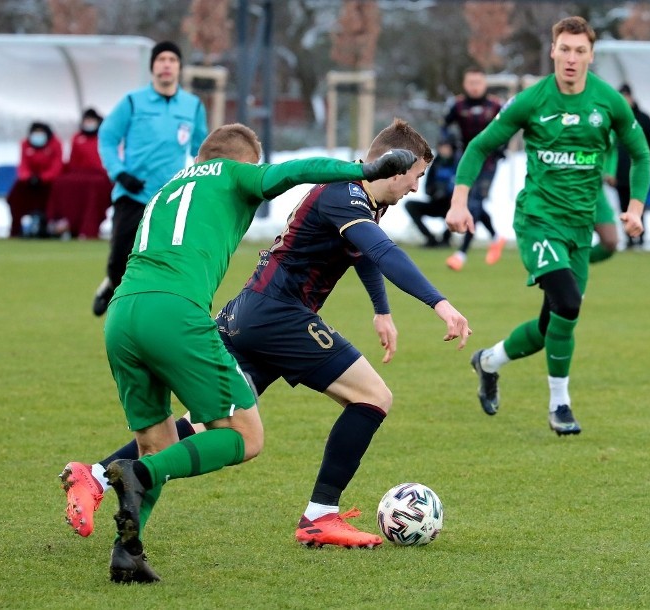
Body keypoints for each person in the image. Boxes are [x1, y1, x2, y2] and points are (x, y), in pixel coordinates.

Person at [59, 120, 469, 580]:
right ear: (393, 166)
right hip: (277, 315)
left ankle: (99, 480)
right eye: (414, 176)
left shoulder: (174, 187)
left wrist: (381, 309)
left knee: (189, 430)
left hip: (198, 311)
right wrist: (440, 302)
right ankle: (319, 514)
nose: (416, 187)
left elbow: (363, 248)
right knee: (370, 398)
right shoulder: (337, 190)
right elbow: (373, 243)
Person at [447, 16, 650, 435]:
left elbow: (642, 154)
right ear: (553, 52)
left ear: (591, 56)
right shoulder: (532, 100)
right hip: (539, 220)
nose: (572, 59)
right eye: (565, 49)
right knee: (569, 303)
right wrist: (459, 200)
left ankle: (488, 361)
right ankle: (561, 405)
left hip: (580, 225)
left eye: (580, 51)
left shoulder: (608, 101)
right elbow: (480, 145)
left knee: (551, 326)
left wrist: (635, 207)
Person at [91, 40, 208, 316]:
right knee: (121, 259)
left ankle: (144, 316)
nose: (166, 64)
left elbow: (201, 149)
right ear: (152, 67)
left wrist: (207, 175)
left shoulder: (192, 106)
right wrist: (119, 172)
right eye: (161, 59)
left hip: (170, 197)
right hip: (133, 193)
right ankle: (110, 283)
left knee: (166, 259)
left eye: (172, 60)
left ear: (179, 67)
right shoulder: (133, 101)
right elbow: (107, 138)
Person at [442, 67, 507, 271]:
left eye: (478, 82)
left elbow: (509, 127)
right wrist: (447, 142)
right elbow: (444, 126)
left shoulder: (496, 105)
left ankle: (461, 254)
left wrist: (501, 148)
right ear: (465, 84)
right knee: (472, 202)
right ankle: (496, 238)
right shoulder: (458, 105)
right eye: (471, 83)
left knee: (474, 203)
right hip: (466, 161)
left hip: (488, 163)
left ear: (485, 84)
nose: (475, 87)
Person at [46, 108, 110, 238]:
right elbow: (73, 160)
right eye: (86, 120)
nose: (89, 123)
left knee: (94, 188)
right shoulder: (77, 137)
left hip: (99, 175)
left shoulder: (105, 137)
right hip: (79, 174)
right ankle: (62, 222)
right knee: (61, 183)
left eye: (91, 120)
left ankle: (88, 228)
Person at [614, 83, 650, 248]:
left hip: (637, 171)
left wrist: (645, 158)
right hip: (620, 172)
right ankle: (628, 238)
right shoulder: (614, 118)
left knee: (639, 204)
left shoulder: (643, 119)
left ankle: (640, 237)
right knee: (623, 206)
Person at [6, 122, 64, 238]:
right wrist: (28, 177)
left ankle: (50, 227)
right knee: (16, 192)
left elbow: (57, 166)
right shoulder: (25, 144)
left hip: (49, 183)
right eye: (35, 133)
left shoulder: (55, 144)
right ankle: (16, 228)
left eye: (40, 133)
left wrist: (43, 178)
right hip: (29, 182)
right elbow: (23, 165)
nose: (37, 136)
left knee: (57, 193)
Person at [405, 139, 458, 247]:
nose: (444, 150)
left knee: (468, 208)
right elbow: (427, 188)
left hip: (451, 204)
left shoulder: (458, 164)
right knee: (410, 205)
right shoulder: (436, 165)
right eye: (442, 147)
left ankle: (446, 239)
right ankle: (430, 238)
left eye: (447, 147)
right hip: (436, 202)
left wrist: (448, 193)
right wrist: (435, 192)